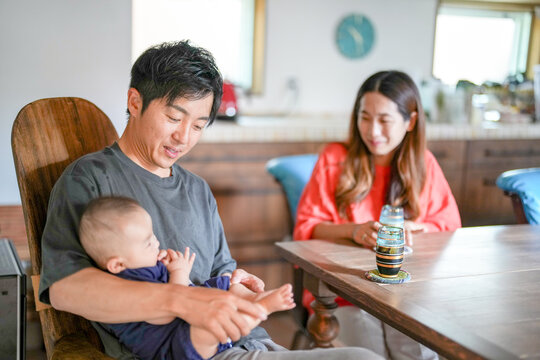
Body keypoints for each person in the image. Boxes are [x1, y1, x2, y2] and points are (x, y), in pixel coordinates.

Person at [38, 40, 381, 360]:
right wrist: (185, 301)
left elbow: (220, 273)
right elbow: (66, 289)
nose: (183, 138)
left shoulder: (197, 190)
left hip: (247, 343)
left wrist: (244, 293)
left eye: (199, 126)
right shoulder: (91, 178)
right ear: (134, 102)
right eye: (173, 118)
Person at [293, 70, 461, 359]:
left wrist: (414, 227)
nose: (372, 131)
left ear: (411, 122)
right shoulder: (335, 159)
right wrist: (354, 230)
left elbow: (449, 226)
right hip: (344, 295)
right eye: (365, 117)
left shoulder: (424, 165)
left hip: (406, 296)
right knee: (369, 354)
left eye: (384, 120)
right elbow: (307, 228)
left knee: (422, 353)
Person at [79, 196, 297, 360]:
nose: (156, 243)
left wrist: (169, 268)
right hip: (176, 347)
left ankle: (253, 299)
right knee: (207, 327)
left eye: (153, 235)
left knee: (225, 284)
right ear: (117, 264)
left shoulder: (146, 265)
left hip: (192, 319)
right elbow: (166, 313)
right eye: (147, 243)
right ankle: (259, 311)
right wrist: (179, 273)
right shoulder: (120, 289)